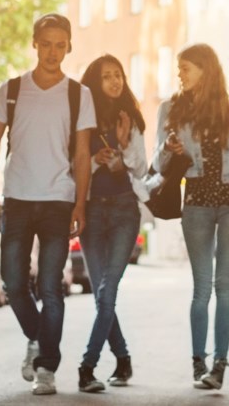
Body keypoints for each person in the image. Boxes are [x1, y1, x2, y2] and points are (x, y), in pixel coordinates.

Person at [0, 13, 95, 396]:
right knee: (12, 282)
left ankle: (46, 368)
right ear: (35, 44)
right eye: (46, 44)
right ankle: (39, 338)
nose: (53, 52)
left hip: (58, 200)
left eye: (60, 45)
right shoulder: (11, 90)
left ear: (69, 47)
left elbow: (83, 154)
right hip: (18, 199)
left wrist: (80, 204)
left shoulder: (78, 95)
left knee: (51, 286)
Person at [152, 43, 229, 390]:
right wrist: (168, 149)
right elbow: (157, 163)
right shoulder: (170, 109)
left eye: (185, 68)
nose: (180, 74)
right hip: (197, 202)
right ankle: (198, 361)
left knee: (225, 286)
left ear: (205, 69)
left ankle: (219, 365)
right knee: (201, 287)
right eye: (179, 68)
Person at [75, 54, 148, 392]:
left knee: (107, 290)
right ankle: (122, 358)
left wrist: (123, 148)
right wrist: (94, 159)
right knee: (101, 294)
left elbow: (140, 168)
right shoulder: (82, 120)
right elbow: (73, 166)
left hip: (124, 211)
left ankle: (87, 367)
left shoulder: (129, 117)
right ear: (95, 81)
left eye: (118, 74)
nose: (115, 81)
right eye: (107, 76)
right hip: (91, 211)